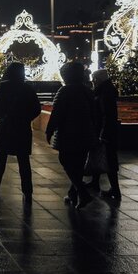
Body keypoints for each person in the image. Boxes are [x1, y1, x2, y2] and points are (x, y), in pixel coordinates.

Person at [0, 62, 41, 202]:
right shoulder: (27, 88)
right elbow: (36, 108)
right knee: (24, 161)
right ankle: (27, 191)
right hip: (22, 129)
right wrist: (25, 119)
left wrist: (1, 118)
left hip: (6, 128)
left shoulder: (4, 87)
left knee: (0, 159)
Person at [45, 62, 98, 209]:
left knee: (66, 161)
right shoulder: (87, 91)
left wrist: (49, 130)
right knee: (79, 164)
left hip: (68, 133)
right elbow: (95, 113)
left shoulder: (65, 91)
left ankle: (82, 192)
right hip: (86, 133)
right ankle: (73, 193)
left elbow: (56, 113)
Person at [90, 69, 121, 200]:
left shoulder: (105, 93)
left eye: (95, 79)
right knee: (99, 156)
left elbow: (107, 114)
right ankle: (95, 182)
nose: (93, 82)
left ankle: (115, 190)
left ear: (100, 79)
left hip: (105, 132)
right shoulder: (104, 90)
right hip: (103, 130)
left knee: (108, 160)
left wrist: (103, 133)